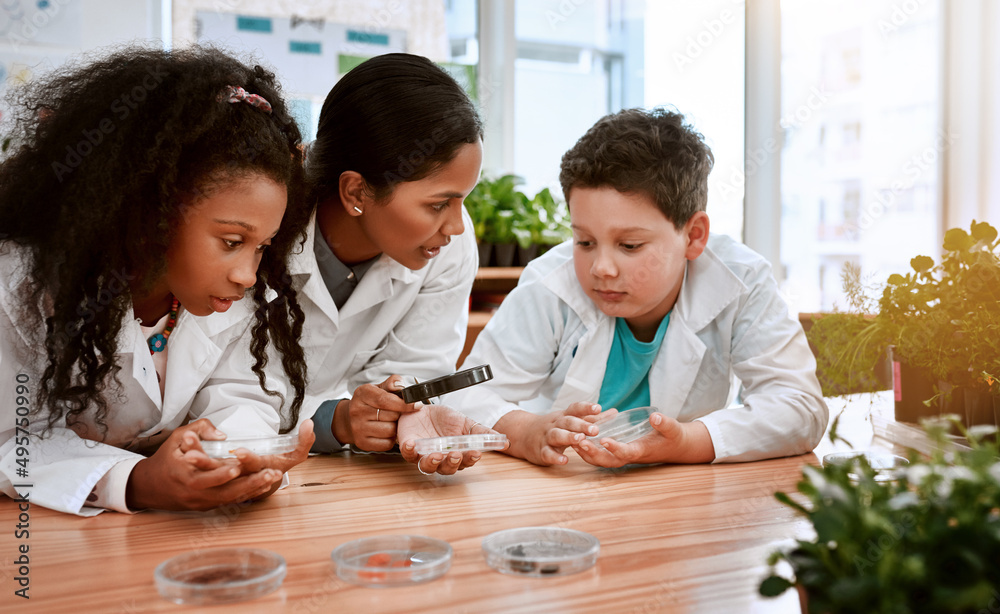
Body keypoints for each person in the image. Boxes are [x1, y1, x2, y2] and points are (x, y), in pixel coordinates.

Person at [0, 46, 316, 516]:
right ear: (150, 212)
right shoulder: (23, 286)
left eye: (263, 246)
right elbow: (12, 441)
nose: (247, 275)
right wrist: (138, 481)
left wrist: (234, 457)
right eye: (231, 240)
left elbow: (241, 392)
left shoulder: (224, 293)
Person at [445, 107, 828, 467]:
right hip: (559, 486)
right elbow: (463, 396)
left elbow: (800, 408)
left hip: (676, 493)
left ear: (694, 236)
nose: (601, 268)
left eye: (629, 246)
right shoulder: (549, 284)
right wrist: (525, 430)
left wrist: (689, 442)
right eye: (584, 241)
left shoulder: (740, 281)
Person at [280, 52, 497, 475]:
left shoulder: (448, 241)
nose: (455, 226)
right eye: (438, 204)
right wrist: (336, 420)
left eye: (462, 200)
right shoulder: (263, 238)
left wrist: (395, 414)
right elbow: (233, 394)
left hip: (344, 480)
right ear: (356, 192)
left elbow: (413, 372)